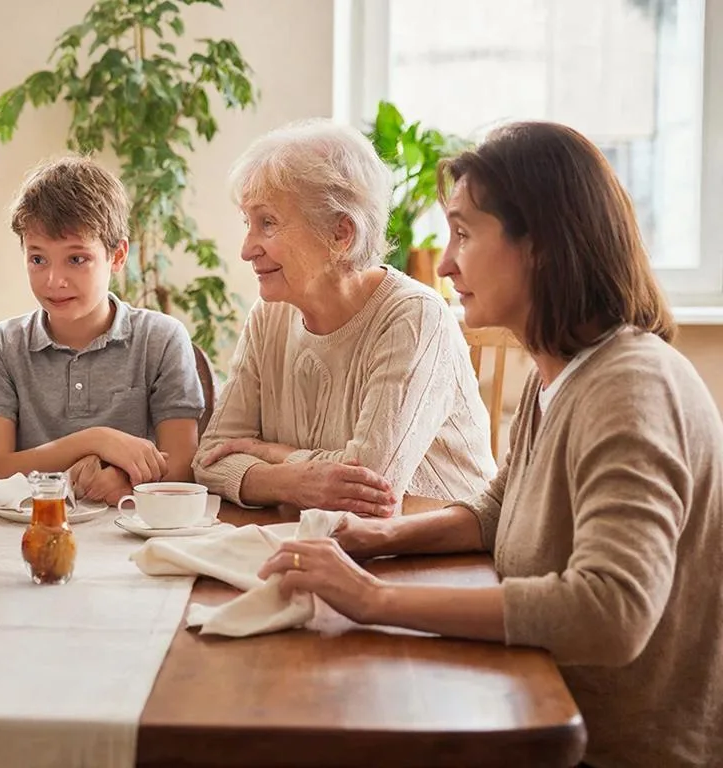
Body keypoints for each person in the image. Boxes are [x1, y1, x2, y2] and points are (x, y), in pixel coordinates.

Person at [264, 121, 723, 768]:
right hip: (538, 710)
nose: (446, 263)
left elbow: (611, 611)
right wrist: (372, 539)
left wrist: (377, 600)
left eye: (464, 233)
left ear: (540, 244)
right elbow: (497, 511)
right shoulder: (565, 372)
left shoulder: (630, 390)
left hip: (614, 749)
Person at [192, 119, 495, 516]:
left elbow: (368, 487)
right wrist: (296, 482)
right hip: (325, 542)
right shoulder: (270, 315)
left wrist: (270, 454)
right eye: (248, 223)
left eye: (267, 223)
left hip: (443, 555)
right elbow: (209, 461)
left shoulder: (414, 316)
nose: (248, 249)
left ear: (341, 234)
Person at [0, 156, 204, 503]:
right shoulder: (1, 347)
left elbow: (183, 464)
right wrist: (93, 440)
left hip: (131, 527)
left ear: (118, 256)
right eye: (38, 259)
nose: (54, 280)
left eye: (76, 259)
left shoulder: (161, 339)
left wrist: (128, 480)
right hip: (31, 528)